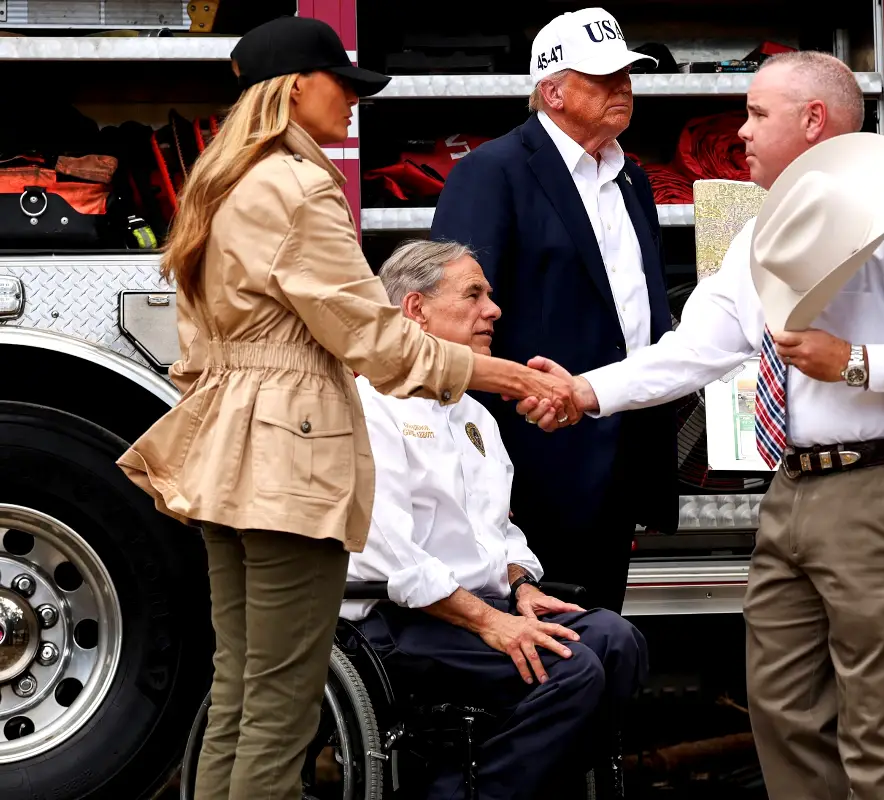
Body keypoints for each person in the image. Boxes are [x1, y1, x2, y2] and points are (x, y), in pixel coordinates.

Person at [521, 51, 884, 799]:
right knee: (782, 712)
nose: (738, 131)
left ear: (815, 122)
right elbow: (692, 352)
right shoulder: (759, 237)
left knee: (879, 728)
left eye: (756, 114)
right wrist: (584, 392)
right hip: (795, 493)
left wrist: (855, 362)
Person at [115, 17, 576, 800]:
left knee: (239, 691)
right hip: (289, 462)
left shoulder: (220, 187)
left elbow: (194, 347)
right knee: (283, 709)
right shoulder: (298, 187)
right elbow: (378, 341)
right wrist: (510, 378)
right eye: (344, 85)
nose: (356, 103)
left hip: (225, 457)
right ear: (296, 87)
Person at [341, 239, 648, 800]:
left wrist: (521, 586)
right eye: (474, 294)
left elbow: (499, 532)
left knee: (616, 640)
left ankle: (522, 780)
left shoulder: (474, 412)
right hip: (402, 621)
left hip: (477, 607)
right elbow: (391, 558)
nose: (494, 310)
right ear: (415, 309)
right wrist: (491, 621)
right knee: (571, 670)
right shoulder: (371, 407)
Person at [428, 6, 677, 614]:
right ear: (553, 91)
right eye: (603, 77)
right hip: (532, 458)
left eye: (627, 74)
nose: (623, 87)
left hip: (621, 446)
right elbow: (454, 323)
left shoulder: (630, 178)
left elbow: (642, 304)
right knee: (535, 642)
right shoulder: (493, 173)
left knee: (602, 628)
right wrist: (476, 463)